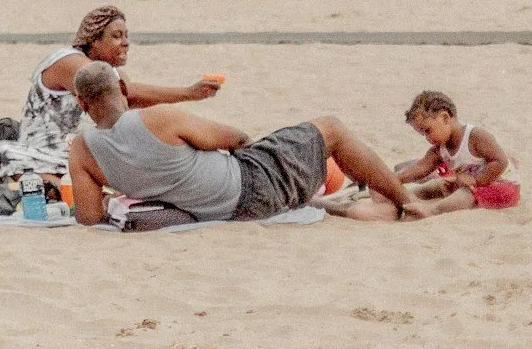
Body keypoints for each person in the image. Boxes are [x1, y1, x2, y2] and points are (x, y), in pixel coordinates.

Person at [65, 60, 418, 225]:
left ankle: (335, 203)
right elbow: (236, 138)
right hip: (251, 187)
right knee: (331, 129)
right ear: (124, 90)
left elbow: (89, 216)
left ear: (82, 103)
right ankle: (410, 202)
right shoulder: (156, 117)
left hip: (216, 212)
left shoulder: (81, 150)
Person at [0, 5, 221, 182]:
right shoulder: (70, 62)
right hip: (45, 152)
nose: (125, 43)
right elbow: (130, 95)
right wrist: (189, 93)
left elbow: (128, 107)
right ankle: (53, 187)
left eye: (126, 36)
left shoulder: (111, 72)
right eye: (116, 36)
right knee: (1, 151)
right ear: (94, 41)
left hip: (80, 150)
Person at [329, 90, 517, 220]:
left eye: (428, 130)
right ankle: (411, 199)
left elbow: (500, 161)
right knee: (435, 185)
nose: (427, 138)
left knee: (465, 193)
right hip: (465, 183)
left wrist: (476, 179)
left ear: (445, 118)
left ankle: (432, 210)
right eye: (422, 134)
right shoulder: (439, 148)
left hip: (501, 188)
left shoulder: (475, 136)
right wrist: (390, 180)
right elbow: (420, 169)